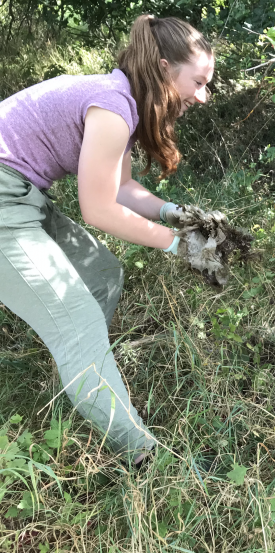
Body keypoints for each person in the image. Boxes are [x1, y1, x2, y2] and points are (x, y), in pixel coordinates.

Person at [0, 15, 214, 461]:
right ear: (162, 68)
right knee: (76, 325)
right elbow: (98, 210)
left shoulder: (122, 101)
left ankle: (84, 367)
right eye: (197, 81)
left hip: (22, 196)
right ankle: (143, 458)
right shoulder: (113, 106)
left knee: (102, 274)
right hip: (5, 199)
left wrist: (178, 214)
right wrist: (175, 244)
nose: (202, 95)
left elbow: (121, 189)